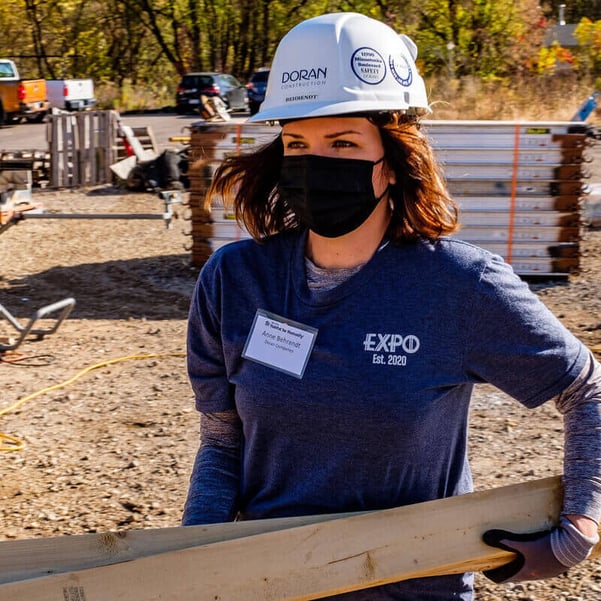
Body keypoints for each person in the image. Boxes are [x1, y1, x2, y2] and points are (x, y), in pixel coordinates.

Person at [182, 12, 601, 600]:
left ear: (393, 160)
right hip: (271, 580)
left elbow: (587, 390)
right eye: (298, 142)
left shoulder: (459, 285)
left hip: (413, 586)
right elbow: (223, 441)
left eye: (343, 142)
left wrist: (580, 527)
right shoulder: (235, 280)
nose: (314, 162)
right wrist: (188, 560)